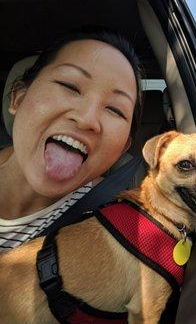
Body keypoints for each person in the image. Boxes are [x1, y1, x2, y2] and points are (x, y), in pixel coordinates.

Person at [0, 27, 143, 251]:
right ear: (18, 97)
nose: (87, 120)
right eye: (70, 86)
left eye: (115, 110)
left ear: (123, 147)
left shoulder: (115, 226)